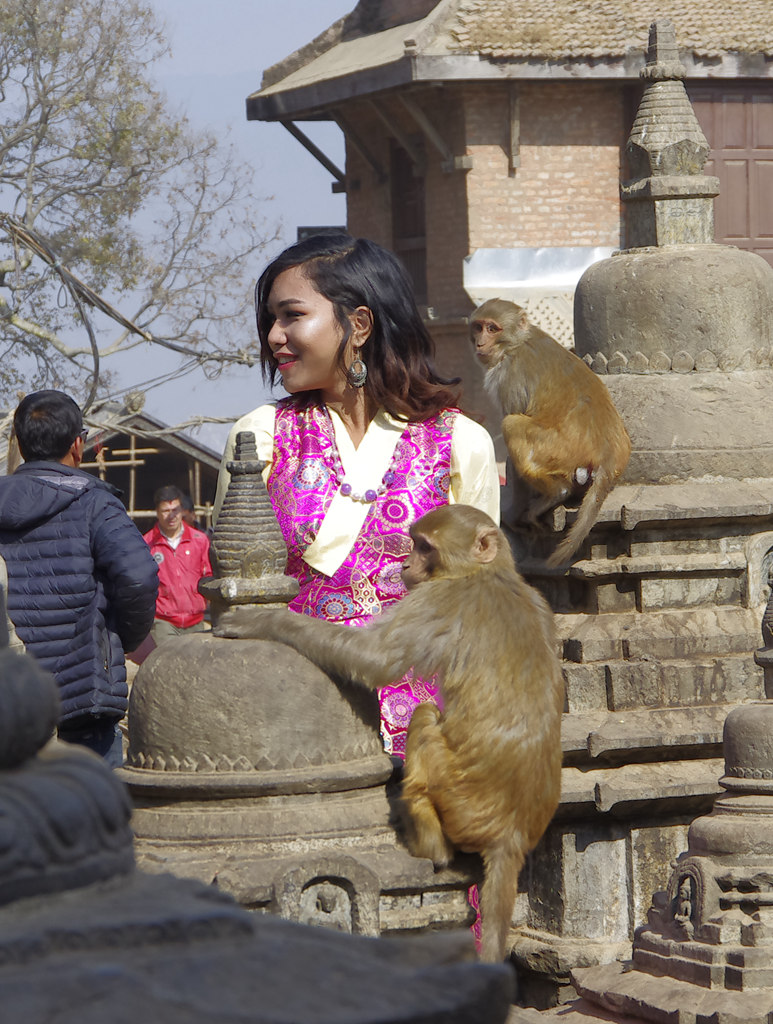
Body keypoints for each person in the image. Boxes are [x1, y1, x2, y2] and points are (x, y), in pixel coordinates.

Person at [215, 234, 500, 757]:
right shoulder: (259, 437)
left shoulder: (460, 442)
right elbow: (232, 595)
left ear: (360, 325)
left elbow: (478, 609)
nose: (275, 336)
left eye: (292, 315)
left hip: (428, 736)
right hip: (292, 716)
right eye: (271, 320)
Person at [0, 390, 158, 765]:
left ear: (19, 442)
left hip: (10, 697)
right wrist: (123, 638)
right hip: (81, 698)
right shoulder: (94, 502)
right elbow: (138, 577)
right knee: (94, 815)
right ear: (78, 444)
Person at [144, 484, 212, 644]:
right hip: (163, 623)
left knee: (196, 665)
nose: (171, 515)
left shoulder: (199, 540)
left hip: (196, 620)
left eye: (175, 510)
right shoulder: (146, 544)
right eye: (166, 511)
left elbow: (209, 574)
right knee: (168, 666)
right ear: (157, 512)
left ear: (181, 510)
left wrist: (201, 599)